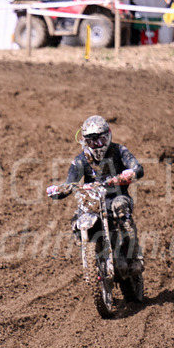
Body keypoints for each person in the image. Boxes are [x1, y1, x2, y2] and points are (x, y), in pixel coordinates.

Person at [46, 115, 145, 279]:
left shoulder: (119, 151)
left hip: (117, 197)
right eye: (92, 142)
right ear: (85, 141)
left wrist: (130, 172)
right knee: (77, 220)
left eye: (100, 140)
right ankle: (91, 255)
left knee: (121, 209)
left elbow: (137, 167)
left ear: (109, 135)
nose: (97, 145)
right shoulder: (81, 160)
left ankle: (134, 256)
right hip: (93, 201)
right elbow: (70, 182)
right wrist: (60, 190)